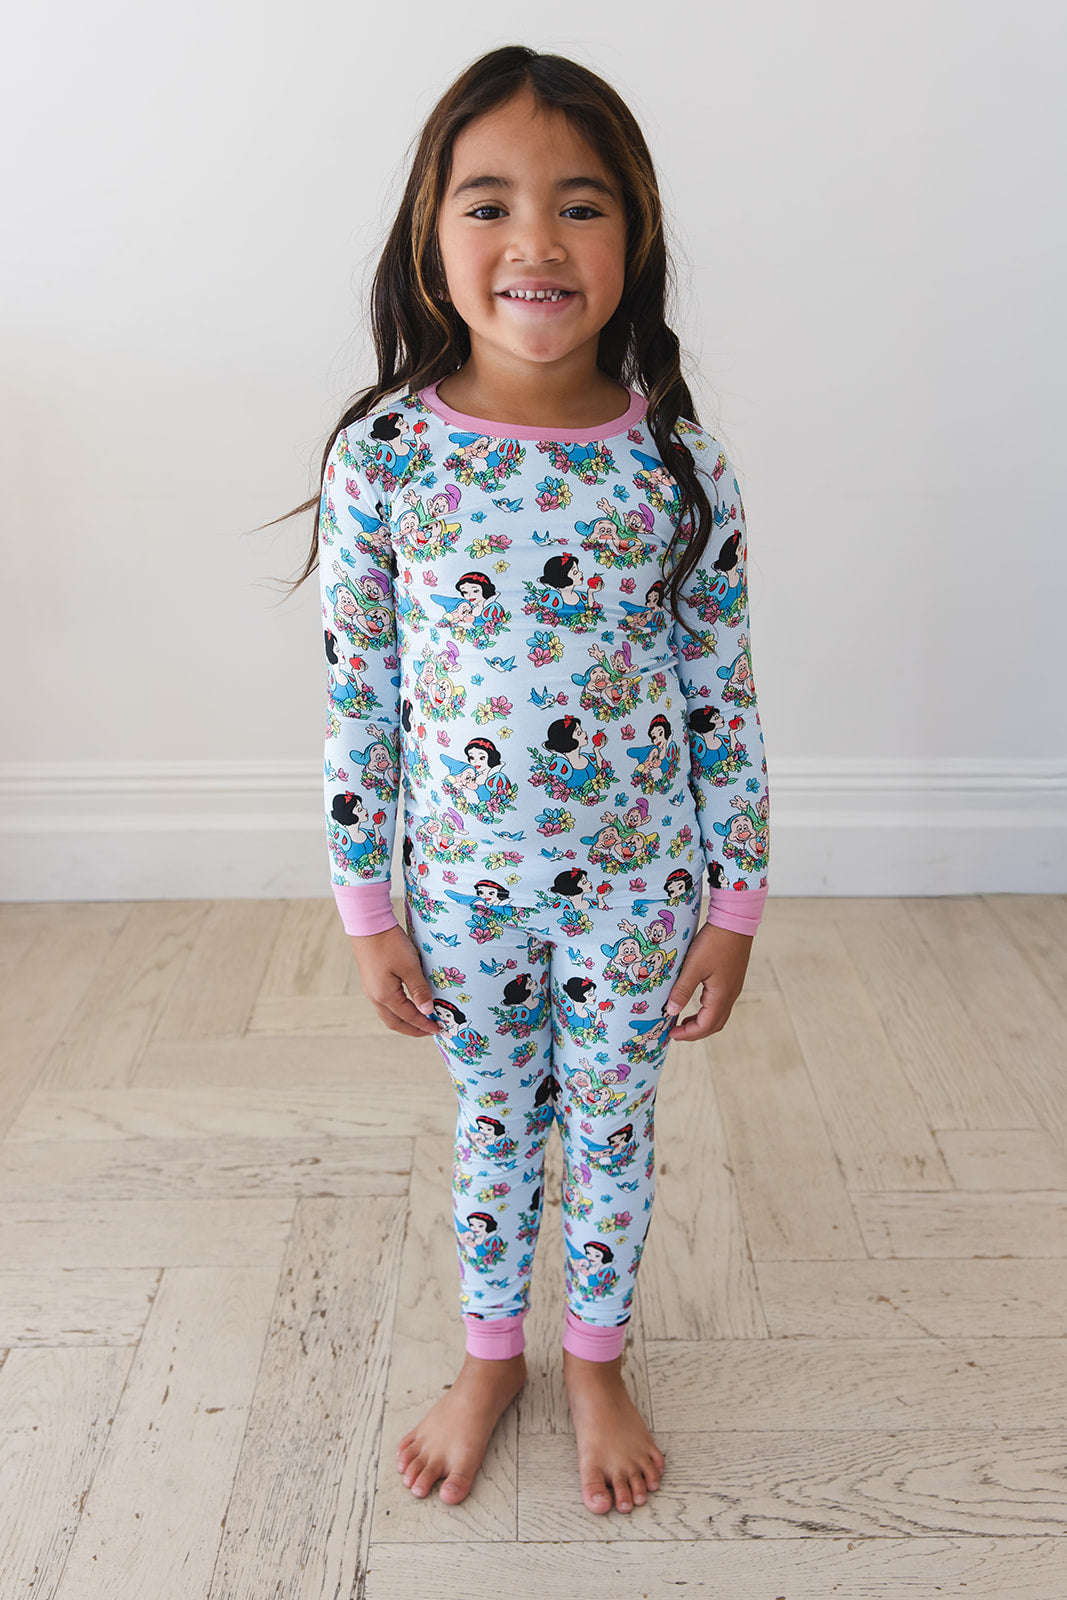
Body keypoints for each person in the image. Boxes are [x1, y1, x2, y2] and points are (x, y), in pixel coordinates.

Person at [280, 45, 770, 1519]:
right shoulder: (385, 459)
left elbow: (724, 701)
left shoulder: (677, 467)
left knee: (613, 1128)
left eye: (582, 205)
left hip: (639, 895)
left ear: (636, 235)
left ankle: (596, 1355)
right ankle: (491, 1354)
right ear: (431, 238)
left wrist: (735, 905)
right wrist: (368, 908)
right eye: (489, 204)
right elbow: (359, 704)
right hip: (463, 895)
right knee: (496, 1119)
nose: (537, 242)